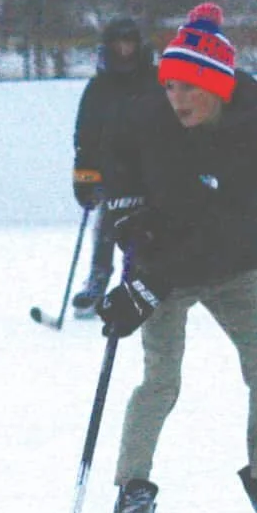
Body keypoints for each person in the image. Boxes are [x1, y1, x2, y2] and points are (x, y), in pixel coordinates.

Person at [92, 3, 257, 513]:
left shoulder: (251, 145)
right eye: (170, 85)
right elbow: (120, 172)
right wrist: (131, 233)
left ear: (217, 87)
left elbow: (228, 231)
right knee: (160, 380)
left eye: (189, 88)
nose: (177, 98)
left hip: (231, 266)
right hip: (161, 262)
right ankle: (132, 501)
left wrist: (149, 286)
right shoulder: (148, 119)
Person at [70, 17, 160, 319]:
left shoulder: (156, 81)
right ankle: (98, 279)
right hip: (113, 173)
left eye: (130, 42)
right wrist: (84, 180)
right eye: (118, 43)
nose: (125, 49)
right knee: (109, 226)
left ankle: (148, 282)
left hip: (151, 171)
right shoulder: (98, 88)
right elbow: (85, 139)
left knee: (154, 231)